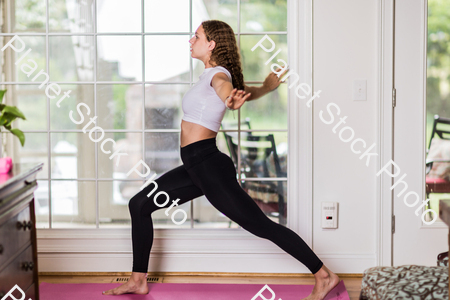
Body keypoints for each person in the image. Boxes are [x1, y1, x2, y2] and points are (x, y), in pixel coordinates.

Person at [103, 20, 340, 300]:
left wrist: (230, 100)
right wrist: (267, 87)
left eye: (197, 36)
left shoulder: (218, 76)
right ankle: (138, 280)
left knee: (261, 225)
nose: (191, 40)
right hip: (196, 166)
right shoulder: (210, 75)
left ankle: (324, 275)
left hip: (208, 166)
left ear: (212, 44)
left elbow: (227, 90)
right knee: (139, 204)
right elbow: (240, 91)